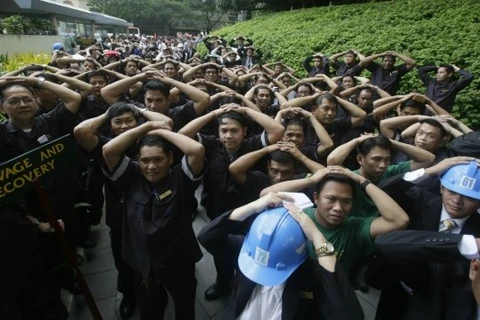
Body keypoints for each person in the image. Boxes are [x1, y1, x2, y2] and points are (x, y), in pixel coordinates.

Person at [197, 192, 365, 320]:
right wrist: (252, 207)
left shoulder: (313, 276)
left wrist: (318, 238)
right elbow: (207, 237)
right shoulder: (249, 252)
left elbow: (350, 315)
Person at [74, 102, 172, 319]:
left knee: (158, 255)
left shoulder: (150, 143)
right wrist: (109, 112)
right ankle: (128, 294)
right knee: (124, 259)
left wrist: (140, 111)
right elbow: (80, 131)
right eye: (118, 122)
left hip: (154, 212)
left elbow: (167, 122)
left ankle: (158, 289)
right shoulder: (105, 145)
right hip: (121, 217)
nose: (125, 126)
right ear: (109, 126)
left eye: (130, 120)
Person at [179, 104, 284, 300]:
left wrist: (246, 111)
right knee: (220, 250)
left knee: (250, 250)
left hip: (250, 213)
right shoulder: (210, 145)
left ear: (244, 131)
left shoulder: (252, 144)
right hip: (219, 211)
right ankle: (222, 282)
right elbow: (184, 132)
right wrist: (215, 112)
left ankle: (247, 283)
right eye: (224, 130)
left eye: (234, 130)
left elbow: (277, 130)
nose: (228, 136)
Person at [102, 121, 205, 320]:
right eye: (145, 160)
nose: (151, 166)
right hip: (143, 264)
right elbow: (108, 149)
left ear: (170, 158)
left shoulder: (180, 179)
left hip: (179, 262)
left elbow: (197, 149)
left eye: (158, 159)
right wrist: (145, 126)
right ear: (137, 161)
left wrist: (160, 132)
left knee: (185, 308)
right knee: (150, 311)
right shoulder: (130, 177)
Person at [374, 158, 480, 320]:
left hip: (442, 306)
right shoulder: (420, 200)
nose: (457, 201)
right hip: (397, 294)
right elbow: (383, 190)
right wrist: (429, 171)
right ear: (441, 187)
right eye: (452, 191)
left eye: (468, 197)